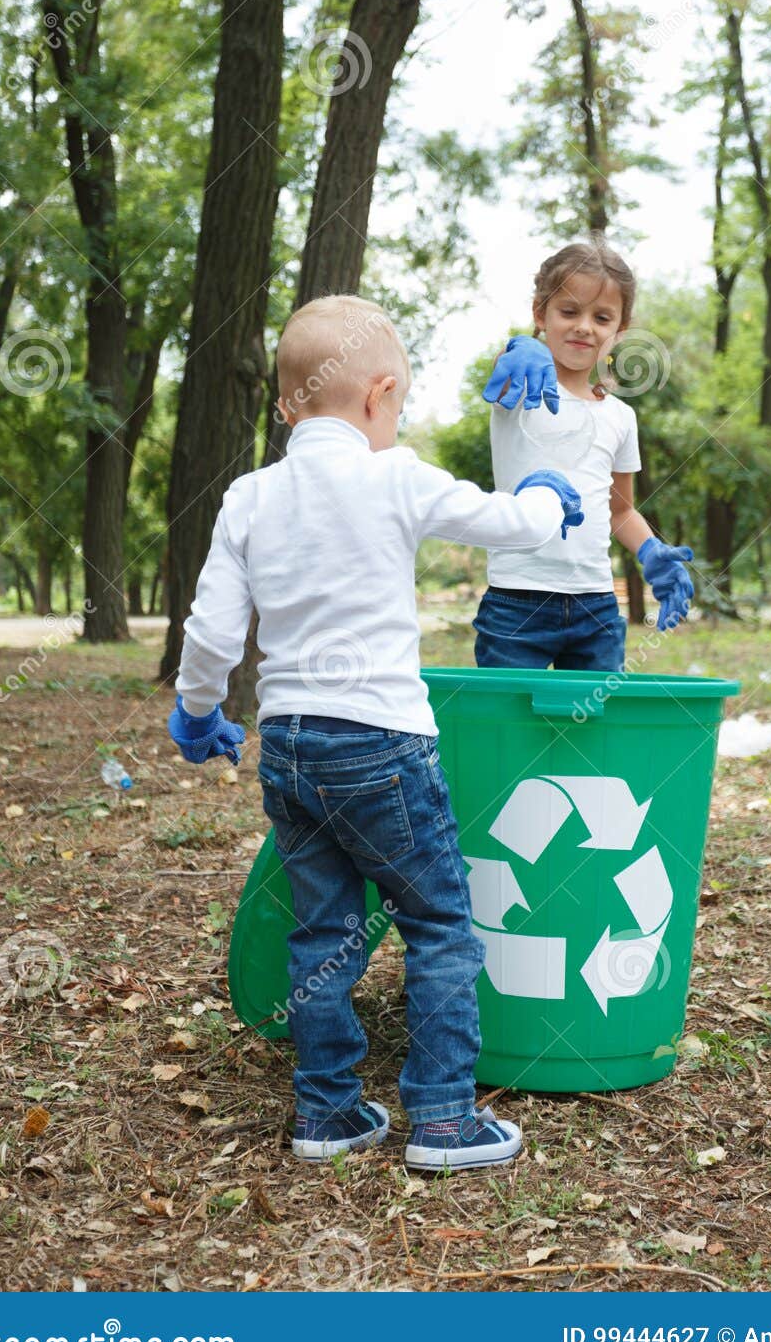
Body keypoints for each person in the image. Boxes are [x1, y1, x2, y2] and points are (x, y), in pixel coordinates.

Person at [166, 295, 582, 1171]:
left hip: (288, 748)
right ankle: (440, 1119)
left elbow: (208, 635)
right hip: (383, 748)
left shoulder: (248, 496)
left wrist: (200, 711)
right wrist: (546, 494)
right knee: (437, 926)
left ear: (285, 406)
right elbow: (510, 525)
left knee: (320, 935)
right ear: (380, 395)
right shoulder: (398, 477)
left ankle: (326, 1114)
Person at [474, 237, 694, 672]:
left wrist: (651, 550)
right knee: (514, 733)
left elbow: (620, 510)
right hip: (516, 603)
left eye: (602, 317)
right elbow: (501, 375)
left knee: (591, 733)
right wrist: (521, 346)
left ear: (620, 329)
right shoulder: (519, 385)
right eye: (569, 312)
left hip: (596, 607)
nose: (585, 327)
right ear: (541, 314)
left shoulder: (620, 416)